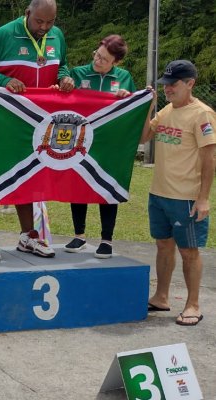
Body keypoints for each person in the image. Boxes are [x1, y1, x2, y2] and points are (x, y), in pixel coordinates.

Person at [0, 0, 74, 262]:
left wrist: (64, 77)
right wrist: (4, 81)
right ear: (27, 14)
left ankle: (29, 235)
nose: (45, 27)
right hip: (5, 119)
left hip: (40, 122)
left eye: (50, 22)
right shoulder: (4, 35)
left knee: (32, 174)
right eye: (39, 21)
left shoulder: (56, 36)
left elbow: (62, 65)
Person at [140, 60, 214, 326]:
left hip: (186, 197)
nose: (168, 89)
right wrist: (148, 106)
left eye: (173, 84)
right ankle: (161, 296)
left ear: (190, 83)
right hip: (159, 193)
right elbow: (143, 137)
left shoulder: (202, 114)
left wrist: (204, 197)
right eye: (165, 85)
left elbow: (209, 157)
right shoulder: (167, 110)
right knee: (163, 246)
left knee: (189, 251)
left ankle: (193, 304)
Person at [64, 34, 135, 259]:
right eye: (97, 55)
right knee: (78, 184)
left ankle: (106, 240)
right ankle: (79, 235)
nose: (98, 60)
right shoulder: (78, 73)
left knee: (107, 188)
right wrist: (64, 85)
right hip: (81, 141)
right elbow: (62, 96)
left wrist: (127, 96)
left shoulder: (124, 77)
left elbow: (133, 107)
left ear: (116, 62)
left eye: (104, 59)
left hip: (110, 144)